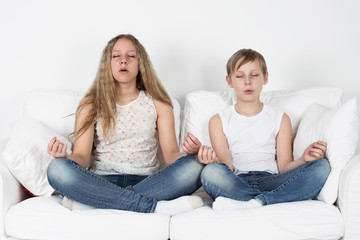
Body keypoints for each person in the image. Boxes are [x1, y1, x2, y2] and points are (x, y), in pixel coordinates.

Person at [46, 34, 204, 215]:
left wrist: (191, 155)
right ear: (108, 63)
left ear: (140, 63)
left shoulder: (160, 103)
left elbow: (170, 156)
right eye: (116, 56)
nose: (123, 61)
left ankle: (95, 203)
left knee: (198, 164)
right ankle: (153, 207)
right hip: (101, 181)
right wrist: (65, 158)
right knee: (57, 169)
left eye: (131, 56)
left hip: (149, 182)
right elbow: (81, 157)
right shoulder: (90, 104)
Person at [195, 49, 331, 211]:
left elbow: (284, 166)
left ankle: (253, 203)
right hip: (237, 181)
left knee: (321, 167)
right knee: (211, 172)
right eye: (240, 76)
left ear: (265, 77)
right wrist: (213, 161)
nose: (247, 82)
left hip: (273, 180)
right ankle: (270, 200)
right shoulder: (218, 120)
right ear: (229, 81)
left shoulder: (280, 118)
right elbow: (227, 167)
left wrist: (304, 159)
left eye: (254, 75)